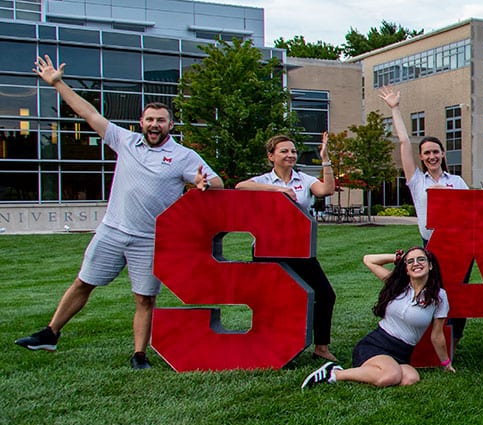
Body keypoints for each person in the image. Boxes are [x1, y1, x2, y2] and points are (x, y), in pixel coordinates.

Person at [14, 56, 221, 369]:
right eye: (150, 119)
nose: (154, 125)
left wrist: (206, 183)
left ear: (170, 125)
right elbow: (90, 114)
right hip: (112, 231)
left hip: (150, 240)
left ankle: (139, 355)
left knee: (144, 298)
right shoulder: (125, 141)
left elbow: (215, 180)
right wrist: (57, 83)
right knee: (83, 283)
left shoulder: (182, 156)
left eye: (161, 120)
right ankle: (50, 334)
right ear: (141, 122)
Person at [235, 135, 340, 361]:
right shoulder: (263, 180)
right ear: (271, 156)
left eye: (293, 151)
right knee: (272, 300)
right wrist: (276, 191)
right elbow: (240, 186)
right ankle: (271, 346)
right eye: (284, 151)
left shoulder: (304, 179)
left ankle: (321, 347)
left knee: (325, 294)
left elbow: (327, 190)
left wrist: (325, 159)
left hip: (299, 248)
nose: (290, 155)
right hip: (267, 250)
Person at [379, 88, 469, 340]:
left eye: (436, 151)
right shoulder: (417, 181)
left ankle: (454, 339)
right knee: (431, 291)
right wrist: (394, 109)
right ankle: (428, 336)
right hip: (432, 245)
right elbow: (405, 142)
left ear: (443, 154)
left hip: (460, 246)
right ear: (421, 157)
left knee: (458, 292)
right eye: (427, 152)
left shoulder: (457, 181)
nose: (432, 156)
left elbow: (468, 212)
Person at [301, 247, 453, 388]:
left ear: (430, 265)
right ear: (405, 268)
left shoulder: (439, 296)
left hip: (402, 353)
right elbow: (369, 260)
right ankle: (334, 373)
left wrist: (446, 363)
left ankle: (373, 372)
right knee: (390, 376)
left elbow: (437, 335)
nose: (416, 263)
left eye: (421, 259)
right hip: (376, 345)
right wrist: (398, 257)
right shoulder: (397, 286)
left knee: (410, 379)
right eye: (410, 261)